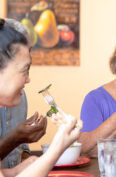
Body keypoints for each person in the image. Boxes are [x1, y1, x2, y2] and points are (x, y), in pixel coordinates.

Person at [0, 18, 82, 176]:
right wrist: (57, 147)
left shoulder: (18, 98)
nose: (28, 79)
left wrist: (21, 168)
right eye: (24, 70)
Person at [0, 18, 39, 169]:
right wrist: (16, 137)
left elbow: (20, 152)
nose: (29, 57)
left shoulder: (20, 97)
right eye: (23, 50)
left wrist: (30, 161)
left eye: (29, 49)